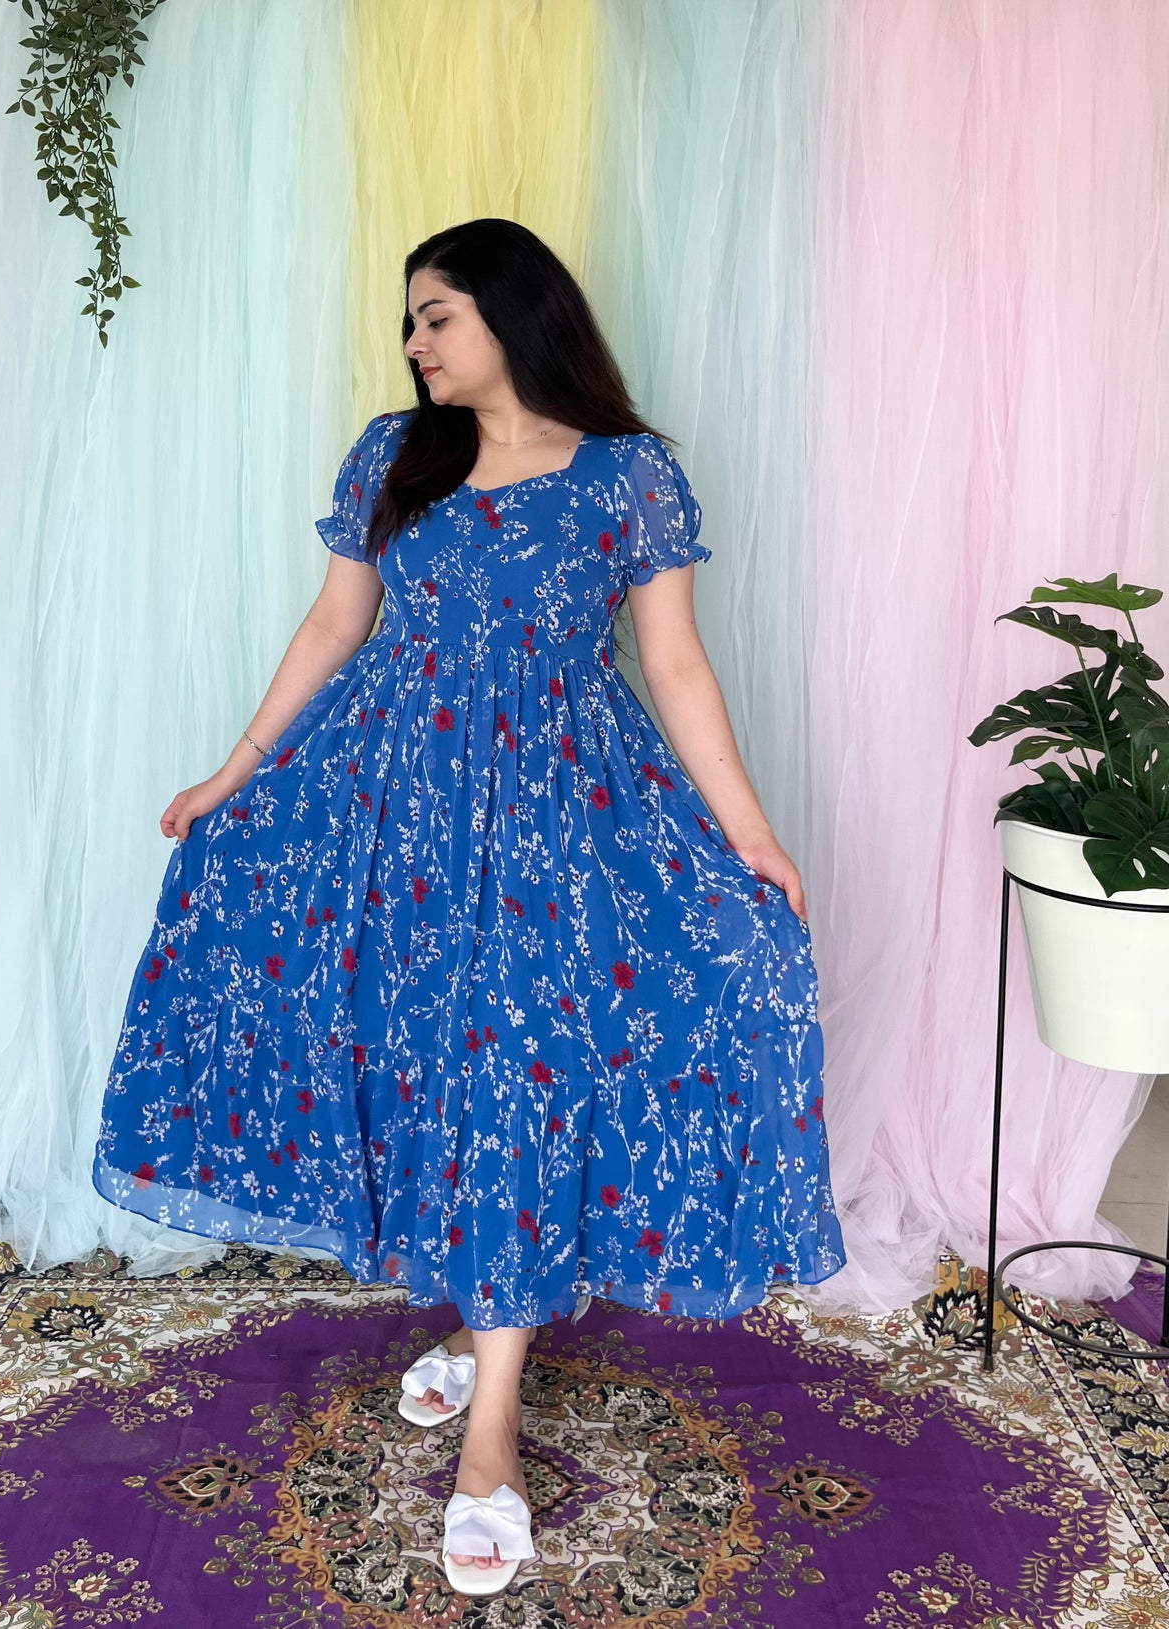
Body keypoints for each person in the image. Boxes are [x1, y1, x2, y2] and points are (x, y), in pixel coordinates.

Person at [92, 217, 845, 1595]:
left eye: (436, 314)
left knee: (534, 1064)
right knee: (437, 1067)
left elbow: (674, 665)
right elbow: (338, 624)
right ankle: (488, 1315)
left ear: (513, 311)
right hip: (395, 807)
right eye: (409, 320)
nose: (414, 342)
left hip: (566, 812)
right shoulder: (396, 454)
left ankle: (490, 1430)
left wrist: (752, 838)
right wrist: (233, 772)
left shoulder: (629, 475)